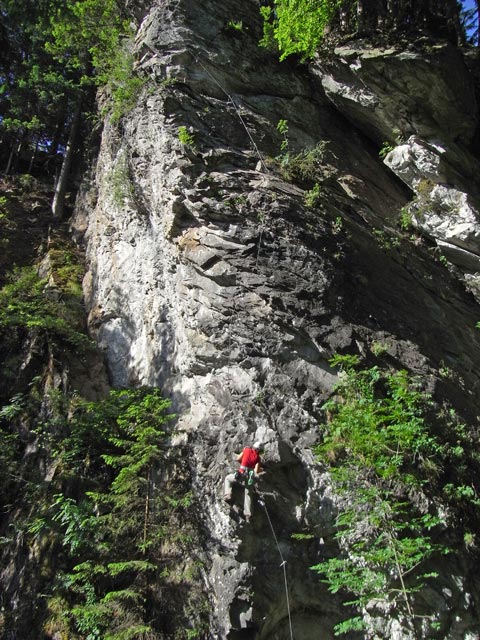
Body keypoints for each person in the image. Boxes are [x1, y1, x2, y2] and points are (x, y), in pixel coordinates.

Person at [224, 441, 263, 523]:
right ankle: (248, 515)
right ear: (259, 450)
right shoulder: (258, 458)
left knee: (228, 478)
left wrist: (244, 461)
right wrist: (261, 469)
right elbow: (256, 470)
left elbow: (238, 458)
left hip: (242, 473)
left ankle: (228, 495)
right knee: (248, 493)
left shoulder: (247, 449)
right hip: (250, 476)